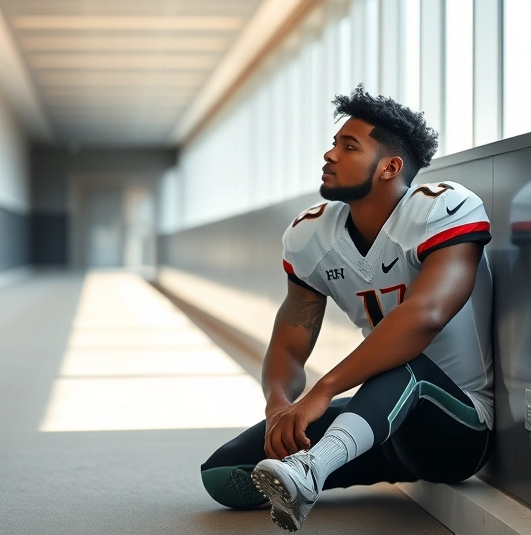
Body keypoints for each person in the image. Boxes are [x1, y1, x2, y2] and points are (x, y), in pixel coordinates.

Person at [200, 86, 495, 532]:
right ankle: (326, 458)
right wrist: (278, 404)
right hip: (383, 425)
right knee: (224, 475)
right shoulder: (312, 235)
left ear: (389, 167)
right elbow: (290, 339)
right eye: (334, 143)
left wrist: (322, 393)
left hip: (456, 426)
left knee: (405, 364)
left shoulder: (443, 207)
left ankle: (311, 471)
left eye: (348, 146)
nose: (329, 154)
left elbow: (427, 316)